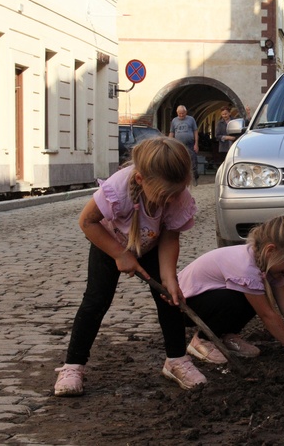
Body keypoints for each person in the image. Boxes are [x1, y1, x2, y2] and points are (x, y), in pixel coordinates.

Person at [54, 136, 206, 396]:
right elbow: (87, 221)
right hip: (109, 242)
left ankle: (177, 360)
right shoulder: (118, 188)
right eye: (163, 196)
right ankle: (73, 365)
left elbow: (170, 237)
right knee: (95, 300)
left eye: (174, 195)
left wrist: (170, 277)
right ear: (140, 180)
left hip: (152, 244)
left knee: (169, 298)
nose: (170, 201)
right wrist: (119, 254)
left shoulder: (176, 195)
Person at [177, 215, 284, 364]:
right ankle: (203, 340)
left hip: (203, 302)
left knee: (253, 295)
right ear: (270, 250)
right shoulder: (246, 268)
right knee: (243, 298)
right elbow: (267, 315)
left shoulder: (268, 263)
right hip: (182, 308)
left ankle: (225, 335)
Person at [169, 105, 199, 184]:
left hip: (190, 144)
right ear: (177, 113)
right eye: (179, 113)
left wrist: (196, 143)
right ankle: (180, 178)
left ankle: (194, 178)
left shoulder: (191, 119)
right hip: (178, 144)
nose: (181, 115)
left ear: (186, 112)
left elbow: (195, 131)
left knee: (193, 161)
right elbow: (172, 132)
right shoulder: (174, 121)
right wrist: (169, 142)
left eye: (183, 113)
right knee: (178, 161)